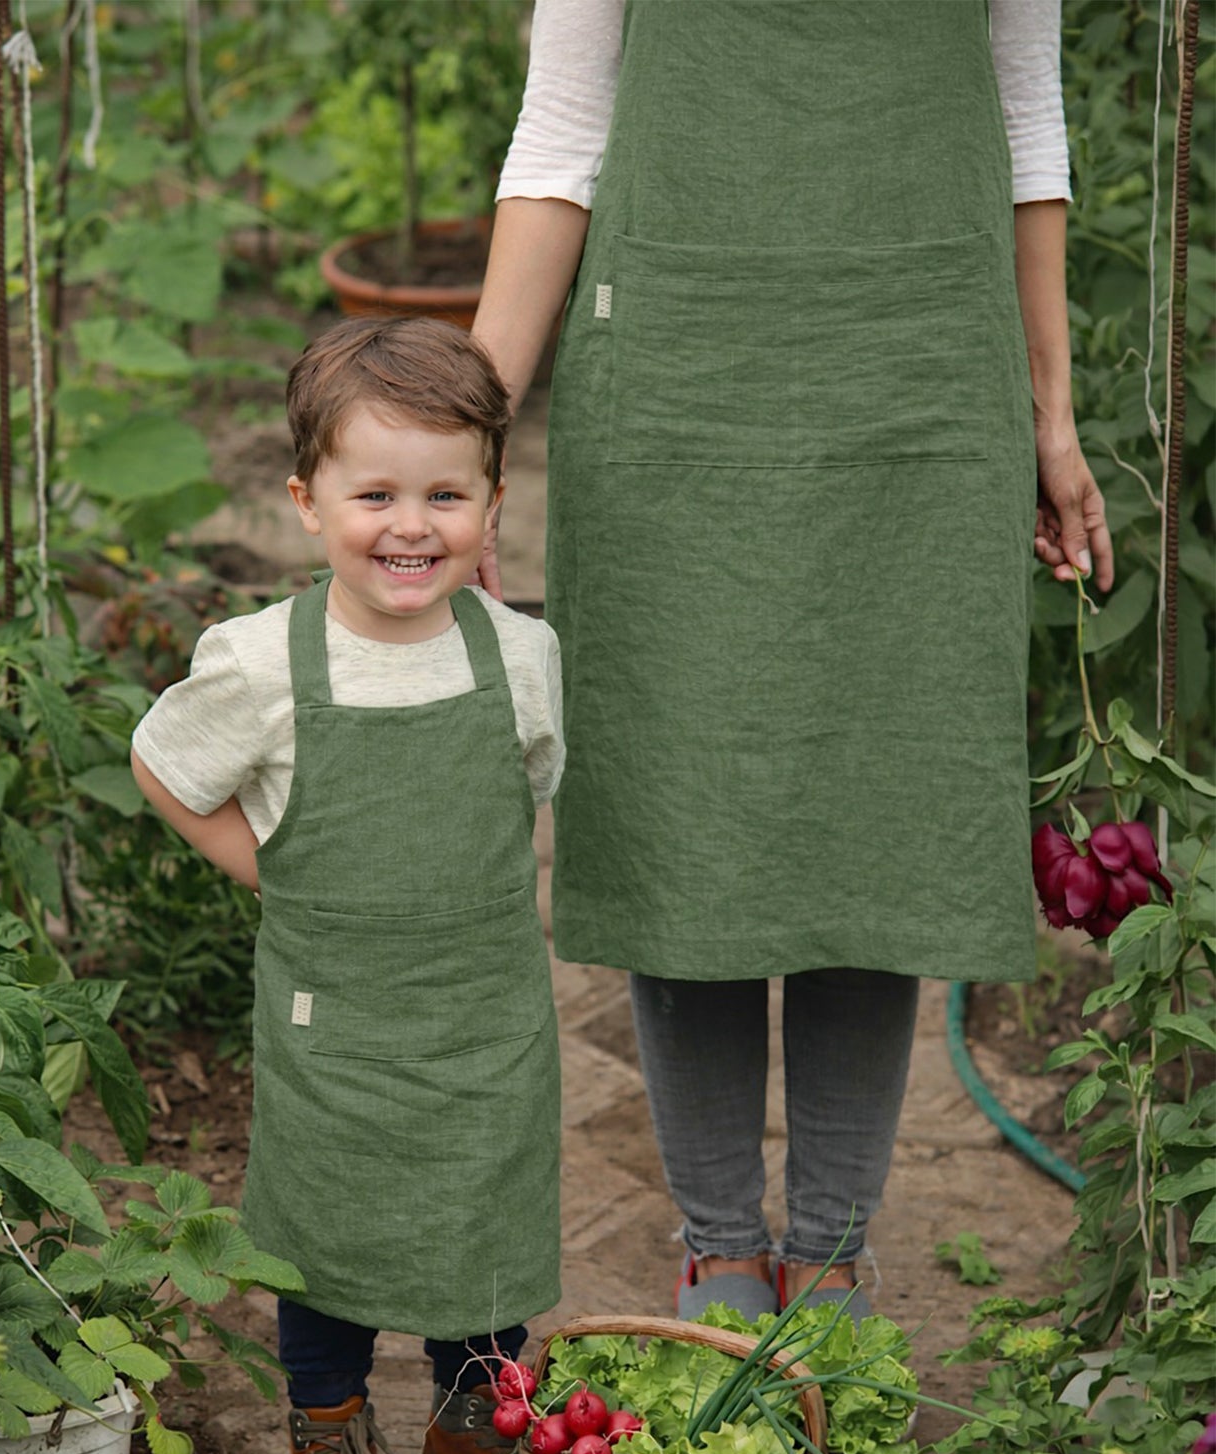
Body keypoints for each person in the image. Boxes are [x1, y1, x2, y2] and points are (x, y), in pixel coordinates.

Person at [471, 0, 1113, 1324]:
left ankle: (830, 1249)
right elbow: (563, 134)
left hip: (918, 387)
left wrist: (1049, 420)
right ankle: (716, 1242)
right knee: (682, 811)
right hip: (677, 382)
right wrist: (461, 442)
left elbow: (1024, 127)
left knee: (873, 812)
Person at [130, 317, 564, 1454]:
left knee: (484, 1207)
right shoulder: (263, 662)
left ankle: (473, 1422)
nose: (408, 526)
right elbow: (164, 765)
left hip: (483, 1009)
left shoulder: (519, 654)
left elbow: (529, 786)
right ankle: (324, 1436)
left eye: (445, 495)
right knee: (322, 1229)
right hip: (335, 1017)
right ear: (306, 502)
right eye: (374, 495)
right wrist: (271, 867)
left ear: (493, 503)